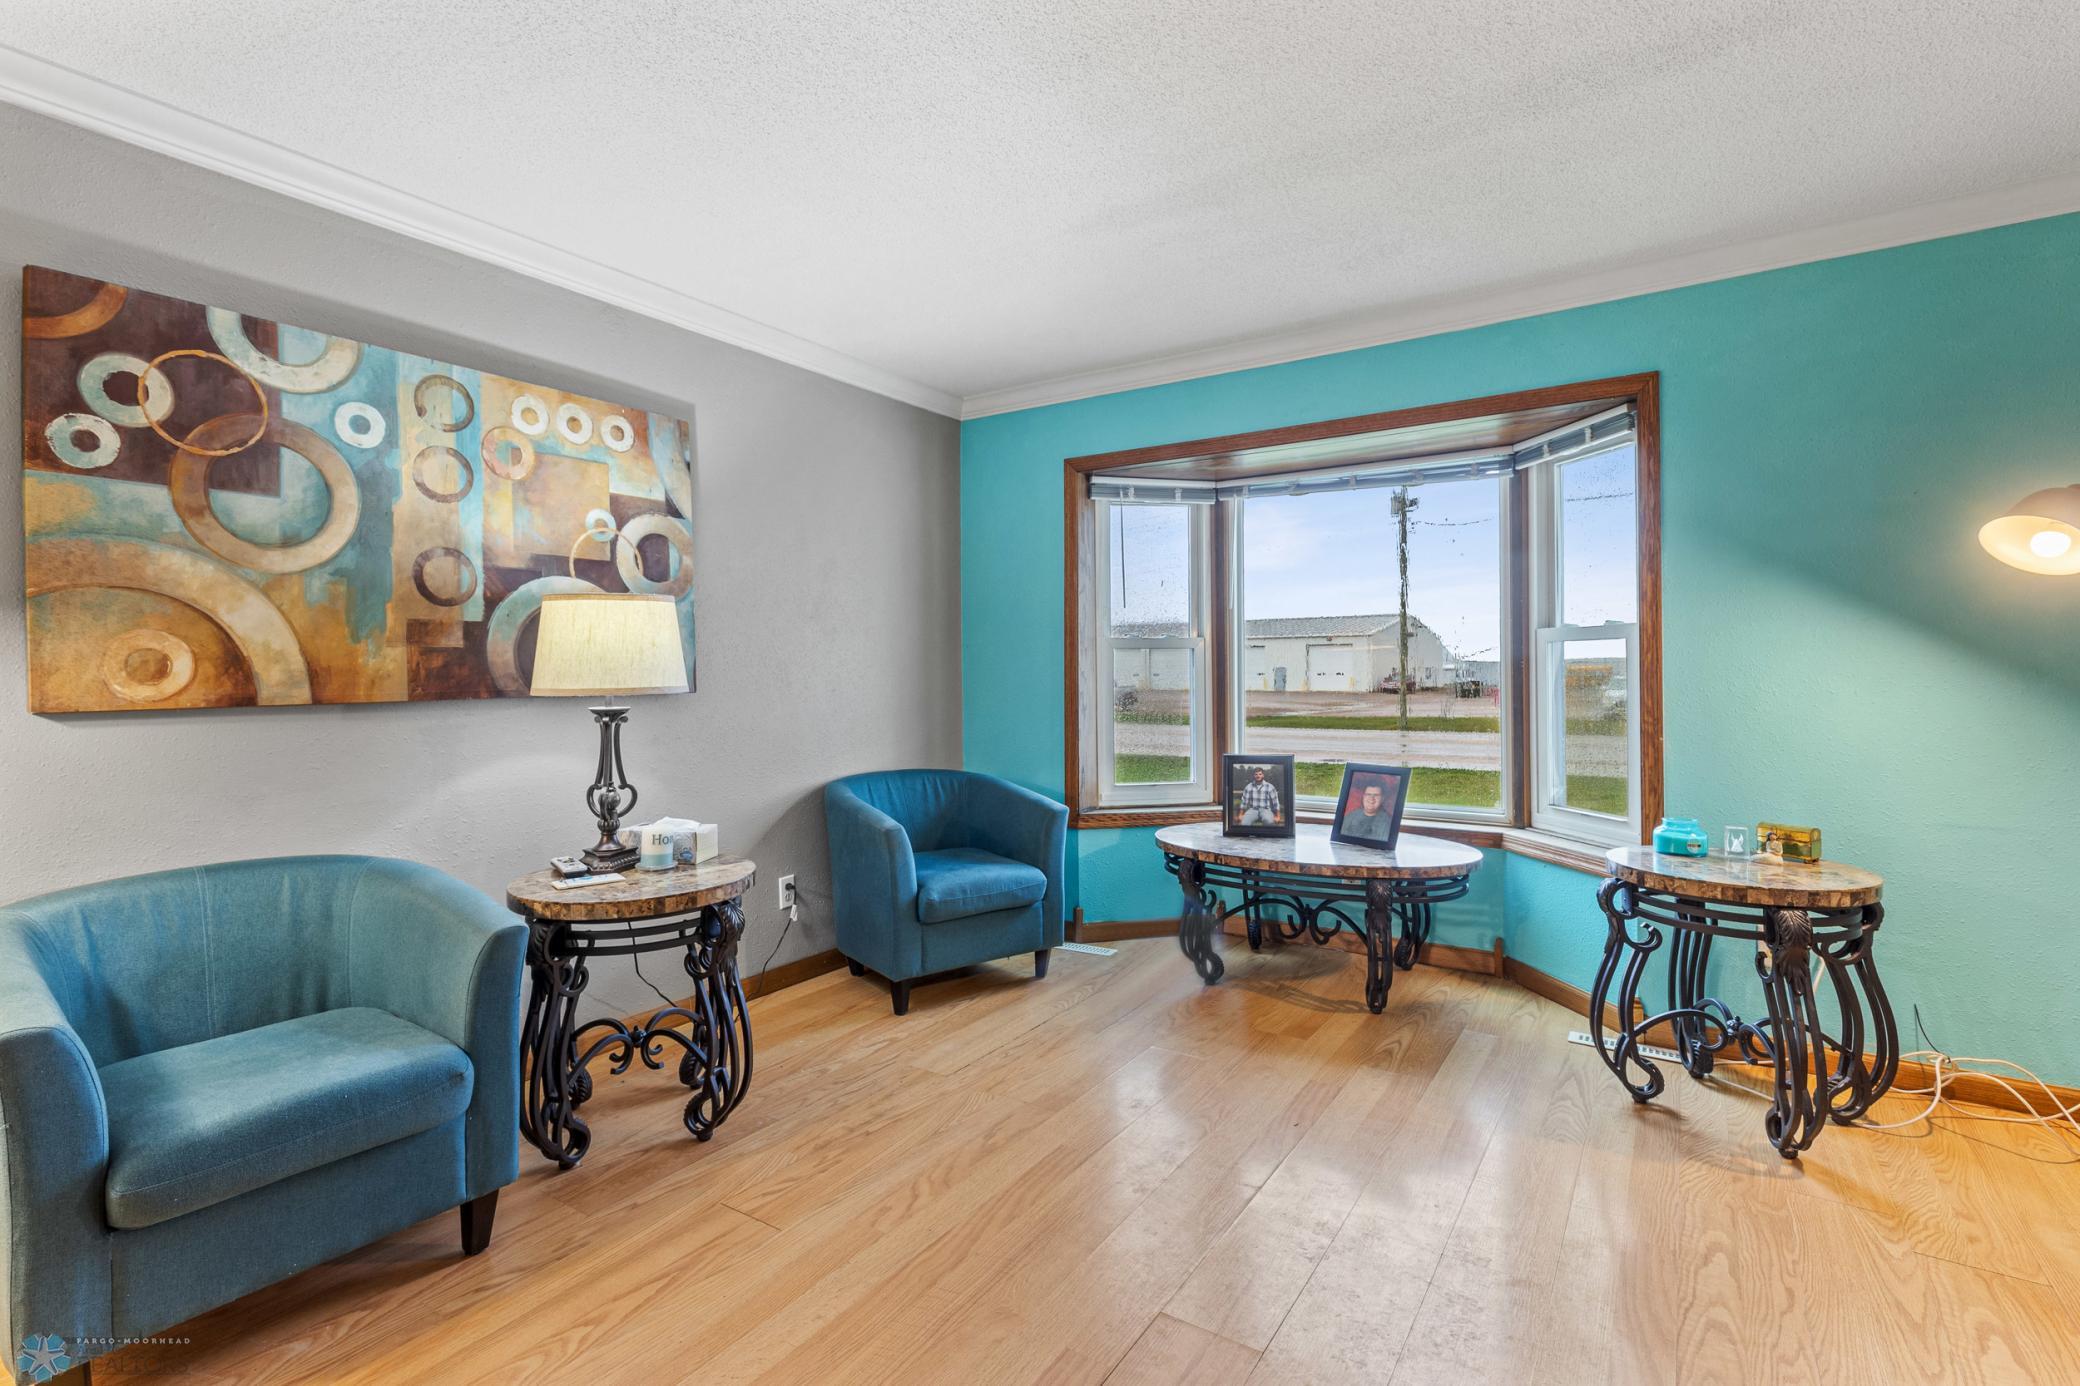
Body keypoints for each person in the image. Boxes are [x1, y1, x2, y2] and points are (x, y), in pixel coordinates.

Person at [1341, 778, 1400, 843]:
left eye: (1376, 795)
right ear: (1363, 796)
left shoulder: (1387, 823)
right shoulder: (1350, 816)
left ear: (1382, 799)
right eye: (1368, 794)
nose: (1371, 799)